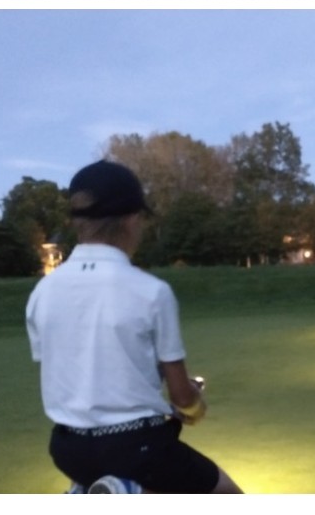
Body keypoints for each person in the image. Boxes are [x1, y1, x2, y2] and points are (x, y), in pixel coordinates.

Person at [25, 160, 242, 494]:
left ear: (77, 222)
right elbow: (182, 395)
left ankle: (93, 489)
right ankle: (125, 491)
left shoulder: (42, 293)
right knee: (228, 495)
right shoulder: (151, 291)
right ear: (132, 219)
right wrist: (195, 407)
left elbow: (77, 372)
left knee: (128, 467)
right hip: (137, 448)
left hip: (68, 450)